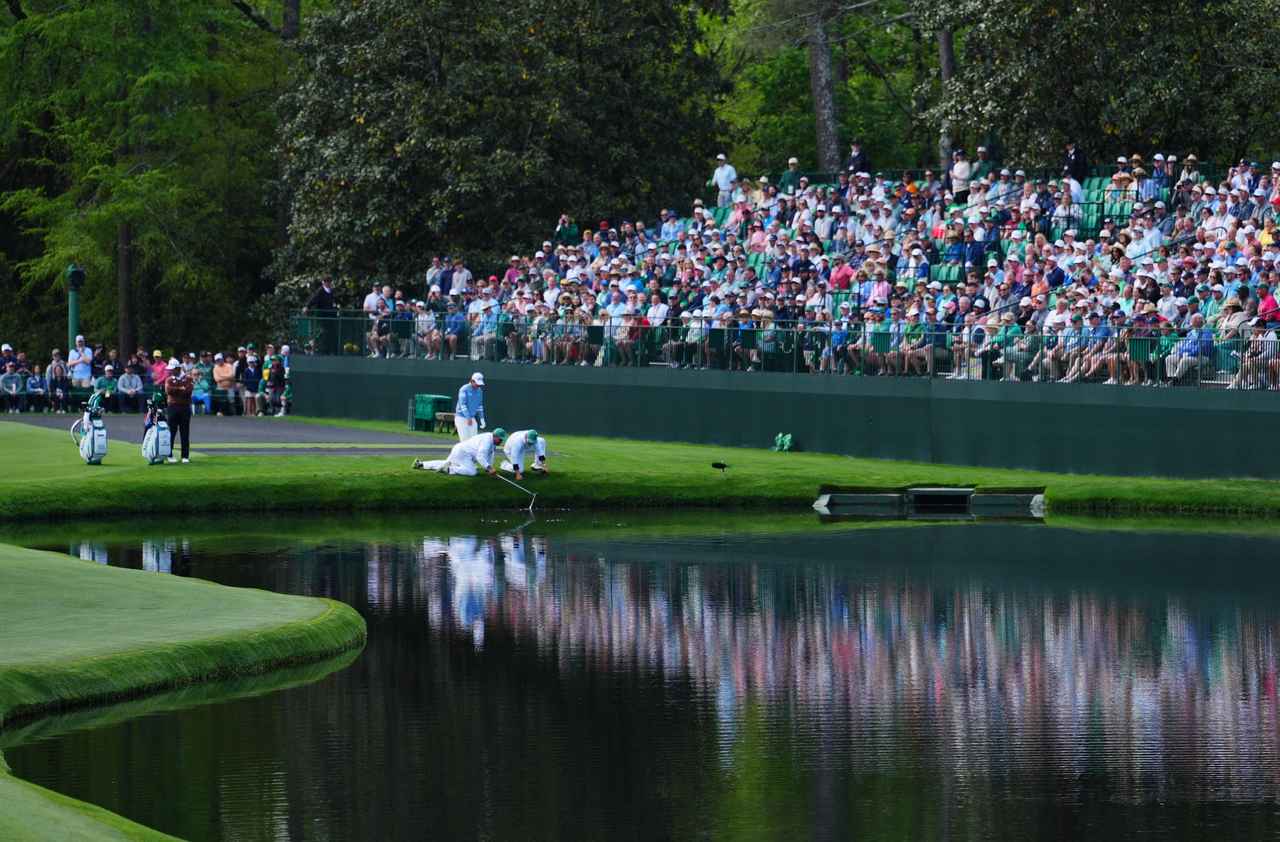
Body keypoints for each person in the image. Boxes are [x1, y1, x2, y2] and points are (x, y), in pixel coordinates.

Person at [413, 427, 506, 476]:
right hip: (463, 453)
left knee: (446, 463)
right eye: (500, 439)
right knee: (472, 472)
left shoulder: (492, 441)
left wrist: (488, 468)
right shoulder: (487, 441)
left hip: (460, 450)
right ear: (495, 436)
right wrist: (489, 468)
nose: (501, 441)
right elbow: (480, 457)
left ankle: (421, 464)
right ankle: (450, 470)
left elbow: (490, 455)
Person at [164, 357, 193, 463]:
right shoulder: (169, 379)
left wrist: (178, 389)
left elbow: (188, 391)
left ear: (177, 368)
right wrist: (180, 388)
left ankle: (185, 456)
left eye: (172, 369)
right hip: (172, 407)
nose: (170, 371)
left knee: (185, 432)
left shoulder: (188, 378)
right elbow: (169, 390)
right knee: (171, 432)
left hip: (185, 407)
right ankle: (169, 454)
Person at [455, 371, 486, 440]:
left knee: (474, 441)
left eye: (479, 385)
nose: (478, 386)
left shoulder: (480, 391)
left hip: (472, 418)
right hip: (461, 417)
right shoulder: (464, 389)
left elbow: (480, 406)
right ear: (472, 381)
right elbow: (463, 404)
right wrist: (468, 417)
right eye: (477, 384)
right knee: (464, 441)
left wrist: (482, 418)